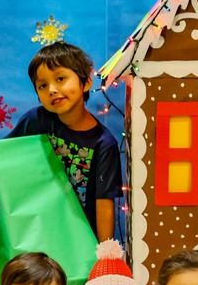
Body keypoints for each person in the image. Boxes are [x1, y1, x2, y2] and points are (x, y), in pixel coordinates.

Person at [8, 41, 122, 242]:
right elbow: (5, 159)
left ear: (86, 82)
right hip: (35, 235)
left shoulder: (104, 143)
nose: (52, 89)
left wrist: (105, 256)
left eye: (60, 78)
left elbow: (104, 203)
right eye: (42, 85)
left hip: (80, 243)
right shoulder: (35, 120)